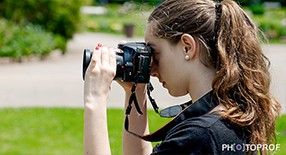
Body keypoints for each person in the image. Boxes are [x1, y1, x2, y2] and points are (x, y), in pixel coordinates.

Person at [83, 0, 281, 154]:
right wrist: (137, 90)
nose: (151, 68)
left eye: (154, 53)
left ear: (187, 46)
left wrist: (95, 100)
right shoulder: (229, 117)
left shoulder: (200, 135)